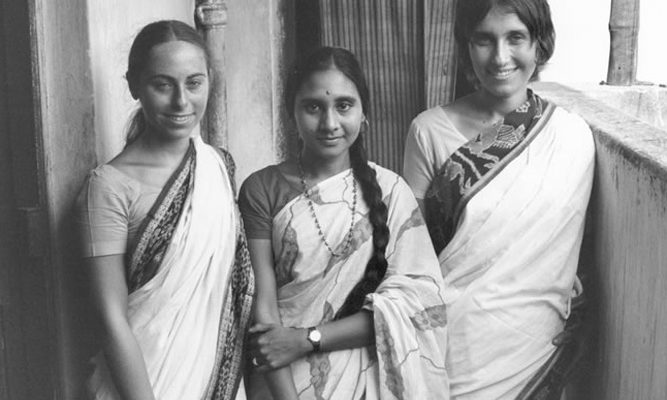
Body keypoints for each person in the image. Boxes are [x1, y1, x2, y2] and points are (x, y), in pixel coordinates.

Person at [402, 0, 595, 398]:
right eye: (484, 40)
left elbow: (569, 249)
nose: (500, 57)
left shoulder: (571, 138)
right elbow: (413, 257)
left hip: (534, 346)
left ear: (540, 44)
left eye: (516, 38)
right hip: (451, 345)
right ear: (465, 47)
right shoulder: (429, 131)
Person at [239, 46, 449, 400]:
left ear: (364, 113)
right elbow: (263, 310)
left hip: (370, 382)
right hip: (279, 381)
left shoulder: (392, 193)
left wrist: (308, 340)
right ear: (291, 113)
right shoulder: (262, 189)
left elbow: (417, 307)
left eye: (344, 105)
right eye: (313, 107)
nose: (329, 123)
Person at [75, 20, 253, 400]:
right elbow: (110, 320)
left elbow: (232, 290)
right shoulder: (108, 187)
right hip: (142, 383)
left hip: (216, 379)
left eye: (194, 83)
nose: (181, 102)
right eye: (162, 85)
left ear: (209, 81)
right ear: (133, 85)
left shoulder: (217, 165)